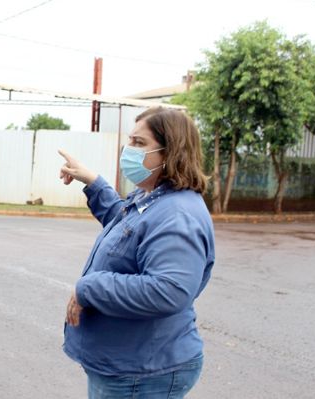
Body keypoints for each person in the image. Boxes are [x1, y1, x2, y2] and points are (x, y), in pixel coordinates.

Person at [59, 107, 215, 399]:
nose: (127, 150)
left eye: (139, 143)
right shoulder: (154, 198)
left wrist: (89, 287)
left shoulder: (178, 214)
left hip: (141, 372)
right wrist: (94, 183)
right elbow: (129, 229)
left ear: (171, 153)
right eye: (130, 141)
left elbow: (168, 290)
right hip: (128, 363)